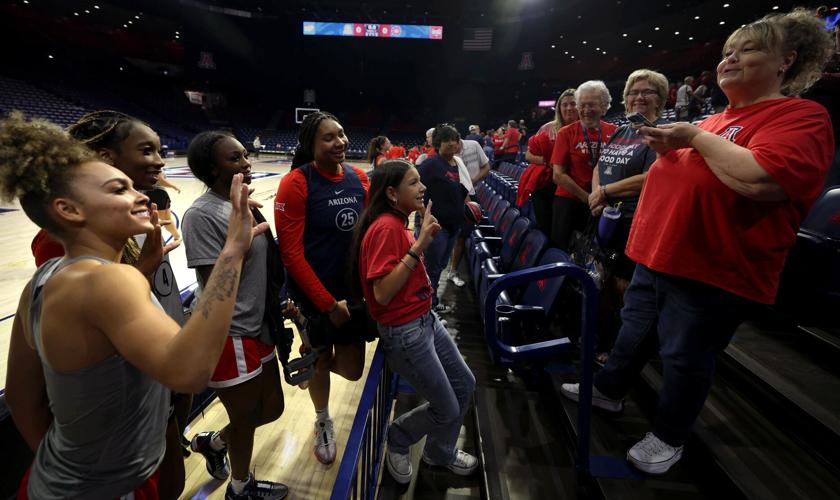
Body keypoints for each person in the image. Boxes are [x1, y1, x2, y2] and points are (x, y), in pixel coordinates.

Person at [561, 8, 835, 475]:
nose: (729, 60)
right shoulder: (712, 122)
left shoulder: (800, 116)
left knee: (685, 356)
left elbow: (761, 177)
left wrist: (688, 137)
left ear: (785, 61)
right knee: (634, 331)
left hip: (714, 268)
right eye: (727, 51)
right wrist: (681, 145)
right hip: (657, 256)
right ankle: (609, 389)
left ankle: (669, 436)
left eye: (746, 50)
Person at [2, 112, 266, 499]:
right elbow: (191, 371)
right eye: (118, 189)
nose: (141, 196)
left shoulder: (41, 283)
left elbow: (20, 396)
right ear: (69, 210)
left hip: (52, 479)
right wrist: (232, 253)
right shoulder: (109, 279)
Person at [29, 110, 189, 498]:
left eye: (160, 150)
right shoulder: (63, 243)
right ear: (107, 157)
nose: (159, 160)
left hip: (157, 376)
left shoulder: (133, 218)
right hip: (123, 419)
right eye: (146, 150)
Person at [352, 159, 477, 484]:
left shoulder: (398, 223)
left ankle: (439, 452)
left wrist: (418, 237)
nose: (423, 188)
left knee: (465, 385)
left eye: (420, 181)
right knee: (447, 408)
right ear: (392, 193)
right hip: (406, 333)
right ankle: (399, 436)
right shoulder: (386, 229)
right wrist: (419, 245)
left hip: (425, 319)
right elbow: (381, 293)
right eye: (414, 182)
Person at [182, 131, 288, 499]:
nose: (246, 162)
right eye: (234, 158)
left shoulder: (245, 204)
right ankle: (240, 489)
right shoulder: (201, 215)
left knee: (272, 408)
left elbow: (265, 268)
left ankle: (214, 442)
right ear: (211, 168)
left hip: (259, 324)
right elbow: (215, 288)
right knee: (245, 418)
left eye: (245, 155)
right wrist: (234, 243)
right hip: (230, 333)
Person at [274, 111, 369, 465]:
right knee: (319, 357)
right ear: (310, 146)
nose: (340, 142)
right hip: (313, 296)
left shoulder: (359, 178)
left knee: (353, 369)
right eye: (328, 138)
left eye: (342, 134)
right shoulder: (296, 184)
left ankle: (313, 362)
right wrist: (328, 304)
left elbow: (374, 231)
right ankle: (322, 418)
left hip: (351, 294)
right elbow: (292, 255)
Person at [587, 69, 670, 365]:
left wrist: (606, 192)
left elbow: (654, 176)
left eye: (647, 92)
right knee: (605, 284)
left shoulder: (662, 132)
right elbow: (599, 165)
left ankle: (625, 351)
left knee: (625, 288)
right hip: (607, 218)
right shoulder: (623, 130)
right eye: (633, 92)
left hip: (637, 220)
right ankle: (606, 341)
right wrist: (596, 194)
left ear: (660, 98)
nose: (639, 97)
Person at [550, 81, 618, 251]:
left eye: (592, 105)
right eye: (583, 105)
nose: (586, 110)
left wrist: (598, 198)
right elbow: (558, 175)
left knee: (597, 253)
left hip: (602, 201)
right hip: (570, 201)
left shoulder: (615, 131)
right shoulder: (566, 132)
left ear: (603, 107)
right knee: (565, 250)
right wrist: (589, 198)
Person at [416, 124, 470, 313]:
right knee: (430, 269)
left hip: (453, 227)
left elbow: (463, 191)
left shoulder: (457, 163)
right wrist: (425, 215)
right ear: (438, 143)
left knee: (439, 267)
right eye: (447, 140)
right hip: (436, 227)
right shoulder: (431, 165)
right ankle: (426, 309)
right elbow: (414, 189)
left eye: (455, 140)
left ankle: (432, 303)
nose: (452, 144)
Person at [518, 88, 578, 236]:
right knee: (545, 226)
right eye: (565, 104)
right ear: (559, 108)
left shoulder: (585, 128)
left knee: (565, 229)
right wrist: (548, 161)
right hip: (546, 185)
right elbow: (528, 155)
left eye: (573, 104)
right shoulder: (548, 128)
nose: (569, 108)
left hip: (572, 184)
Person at [446, 136, 490, 287]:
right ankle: (448, 270)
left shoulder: (474, 145)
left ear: (458, 140)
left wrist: (473, 180)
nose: (452, 147)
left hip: (472, 195)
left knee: (462, 236)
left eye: (453, 143)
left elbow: (486, 166)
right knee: (452, 234)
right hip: (457, 197)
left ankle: (452, 271)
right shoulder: (449, 154)